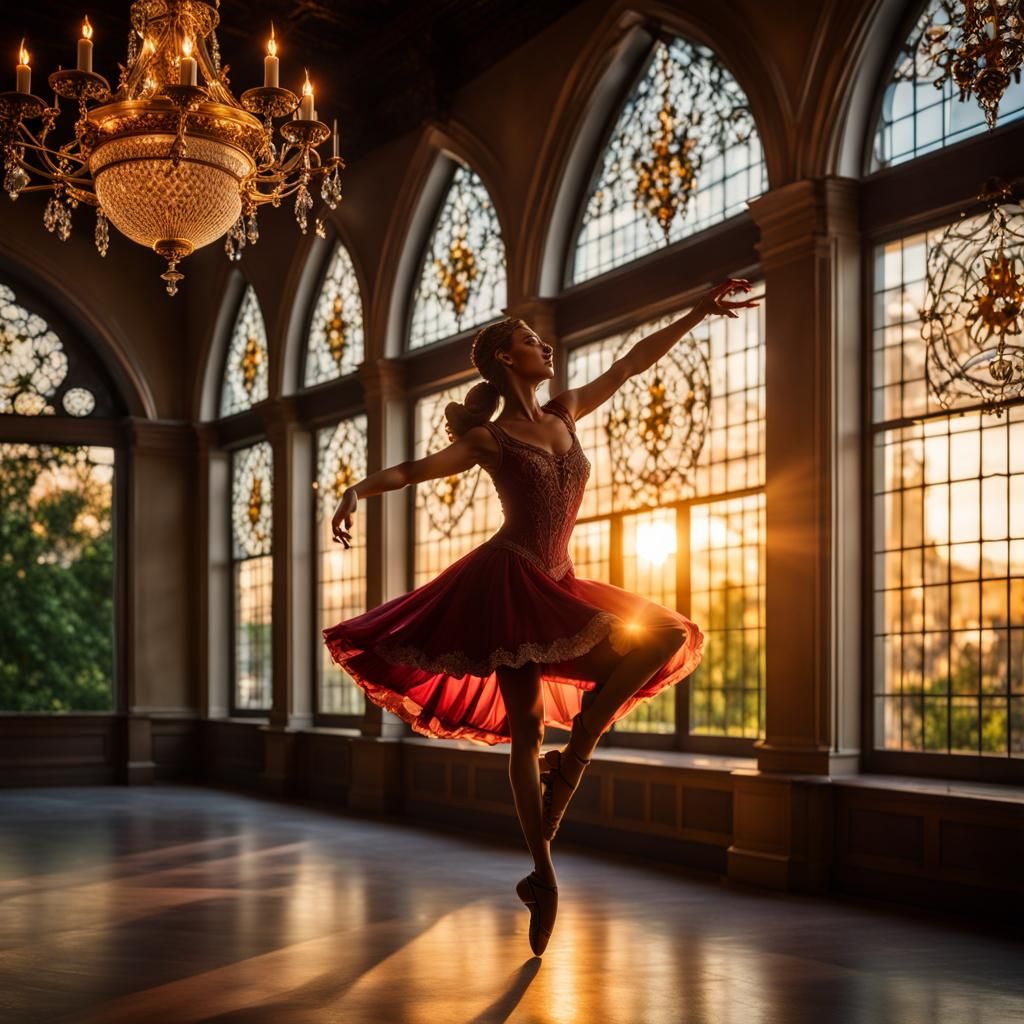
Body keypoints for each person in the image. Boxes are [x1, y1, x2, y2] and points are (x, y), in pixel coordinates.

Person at [324, 278, 760, 955]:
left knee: (668, 634)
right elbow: (413, 471)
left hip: (561, 582)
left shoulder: (565, 412)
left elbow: (630, 363)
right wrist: (355, 490)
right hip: (507, 583)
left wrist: (697, 308)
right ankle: (543, 873)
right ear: (506, 358)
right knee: (524, 730)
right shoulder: (490, 441)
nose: (545, 345)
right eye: (531, 340)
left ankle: (576, 754)